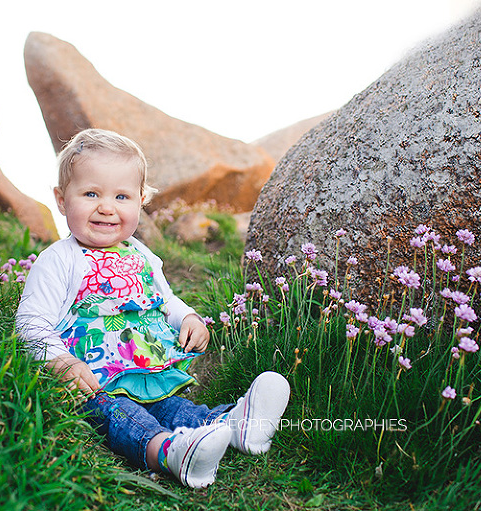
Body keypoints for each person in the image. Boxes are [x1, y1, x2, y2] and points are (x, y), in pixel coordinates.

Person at [15, 128, 289, 488]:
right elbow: (31, 321)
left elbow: (164, 300)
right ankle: (170, 452)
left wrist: (188, 317)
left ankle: (235, 426)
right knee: (120, 417)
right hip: (91, 382)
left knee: (171, 408)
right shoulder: (59, 260)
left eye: (122, 196)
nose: (106, 207)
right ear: (62, 200)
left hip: (144, 371)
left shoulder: (142, 254)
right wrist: (59, 360)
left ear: (140, 201)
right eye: (91, 193)